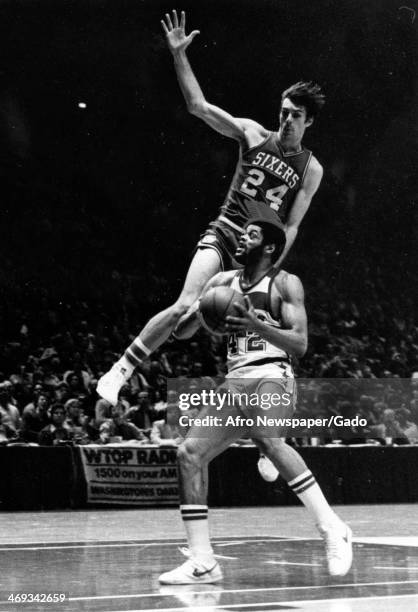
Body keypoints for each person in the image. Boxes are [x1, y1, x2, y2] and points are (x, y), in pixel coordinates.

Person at [97, 9, 325, 406]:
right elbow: (199, 107)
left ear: (309, 122)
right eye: (284, 111)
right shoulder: (254, 133)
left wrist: (268, 268)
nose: (286, 119)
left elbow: (291, 225)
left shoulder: (312, 169)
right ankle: (120, 372)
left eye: (296, 115)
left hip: (256, 256)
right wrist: (179, 55)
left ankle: (269, 442)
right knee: (183, 306)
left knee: (253, 337)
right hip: (224, 234)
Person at [158, 209, 352, 584]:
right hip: (235, 380)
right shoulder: (221, 280)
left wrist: (255, 323)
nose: (241, 239)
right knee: (189, 453)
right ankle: (203, 562)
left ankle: (332, 528)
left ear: (269, 246)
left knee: (267, 439)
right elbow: (180, 333)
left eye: (250, 235)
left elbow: (300, 344)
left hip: (273, 373)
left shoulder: (285, 284)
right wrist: (203, 312)